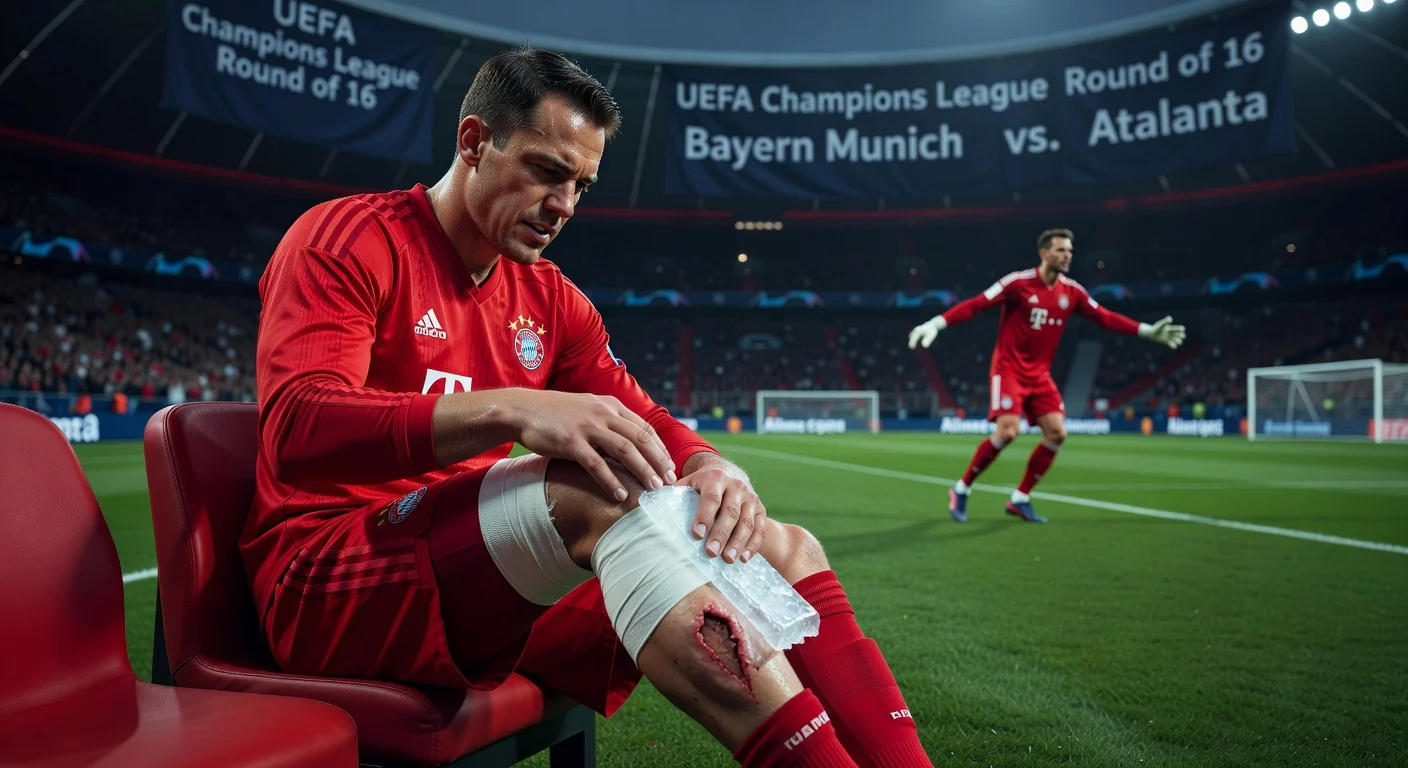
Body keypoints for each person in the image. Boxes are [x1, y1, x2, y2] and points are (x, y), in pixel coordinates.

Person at [244, 46, 931, 767]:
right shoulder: (347, 240)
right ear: (474, 143)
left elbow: (645, 420)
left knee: (780, 548)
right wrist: (510, 410)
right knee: (590, 489)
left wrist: (710, 463)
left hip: (466, 577)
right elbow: (296, 425)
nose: (565, 207)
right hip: (326, 577)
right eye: (546, 171)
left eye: (582, 186)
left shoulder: (549, 298)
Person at [907, 229, 1185, 523]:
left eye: (1070, 251)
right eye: (1061, 250)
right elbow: (977, 303)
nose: (1068, 256)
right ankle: (961, 488)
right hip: (1009, 369)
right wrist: (936, 324)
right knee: (1008, 431)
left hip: (1040, 376)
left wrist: (1147, 331)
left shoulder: (1072, 292)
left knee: (1057, 433)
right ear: (1044, 253)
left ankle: (1020, 498)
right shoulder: (1017, 283)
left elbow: (1104, 316)